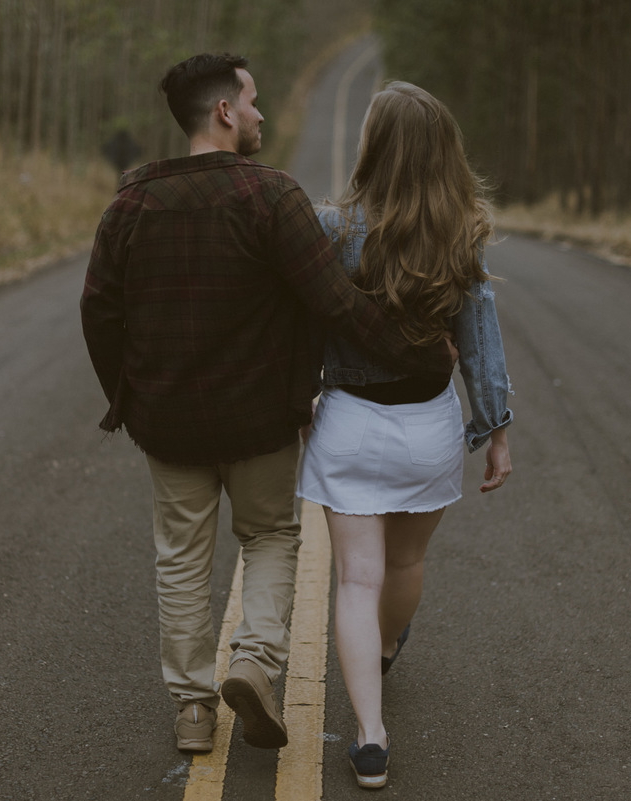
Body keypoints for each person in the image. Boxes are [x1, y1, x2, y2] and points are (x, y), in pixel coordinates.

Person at [80, 55, 457, 754]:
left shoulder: (132, 202)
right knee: (272, 537)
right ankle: (254, 660)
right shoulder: (274, 197)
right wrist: (420, 353)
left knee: (182, 556)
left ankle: (193, 709)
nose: (260, 114)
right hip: (260, 422)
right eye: (252, 101)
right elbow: (335, 303)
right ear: (225, 112)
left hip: (170, 424)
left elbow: (99, 310)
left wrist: (126, 400)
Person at [296, 81, 514, 789]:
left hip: (351, 421)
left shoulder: (331, 226)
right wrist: (497, 428)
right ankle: (387, 646)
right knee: (406, 564)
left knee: (356, 578)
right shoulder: (463, 231)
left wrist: (295, 398)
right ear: (443, 153)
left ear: (373, 146)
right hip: (429, 426)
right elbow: (481, 339)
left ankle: (371, 734)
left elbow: (304, 323)